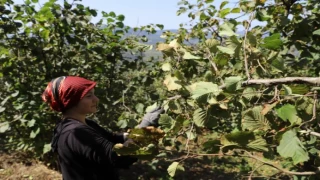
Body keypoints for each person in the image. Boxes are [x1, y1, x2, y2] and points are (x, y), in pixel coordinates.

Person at [41, 76, 164, 180]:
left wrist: (140, 130)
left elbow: (113, 138)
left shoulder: (83, 124)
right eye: (89, 96)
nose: (96, 99)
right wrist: (145, 126)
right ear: (71, 101)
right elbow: (119, 157)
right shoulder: (75, 133)